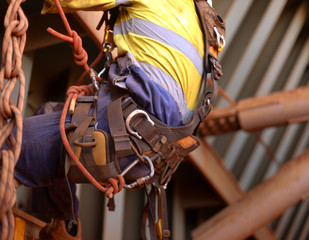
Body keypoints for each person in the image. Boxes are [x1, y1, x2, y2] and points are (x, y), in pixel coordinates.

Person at [13, 0, 209, 239]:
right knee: (47, 111)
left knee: (8, 144)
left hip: (121, 133)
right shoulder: (200, 26)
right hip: (148, 154)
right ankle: (63, 225)